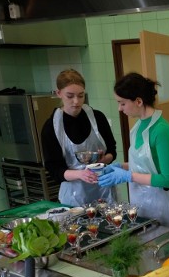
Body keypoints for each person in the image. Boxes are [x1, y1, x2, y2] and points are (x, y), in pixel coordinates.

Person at [99, 73, 169, 228]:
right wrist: (120, 167)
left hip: (162, 205)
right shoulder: (138, 127)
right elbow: (144, 164)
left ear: (138, 101)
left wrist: (128, 175)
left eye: (122, 103)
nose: (119, 108)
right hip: (141, 203)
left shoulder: (161, 130)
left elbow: (168, 179)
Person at [41, 69, 118, 207]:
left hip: (103, 190)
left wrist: (104, 160)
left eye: (81, 96)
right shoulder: (51, 127)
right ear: (59, 93)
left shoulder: (98, 118)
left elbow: (112, 149)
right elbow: (54, 169)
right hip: (74, 195)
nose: (76, 101)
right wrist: (80, 174)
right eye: (70, 96)